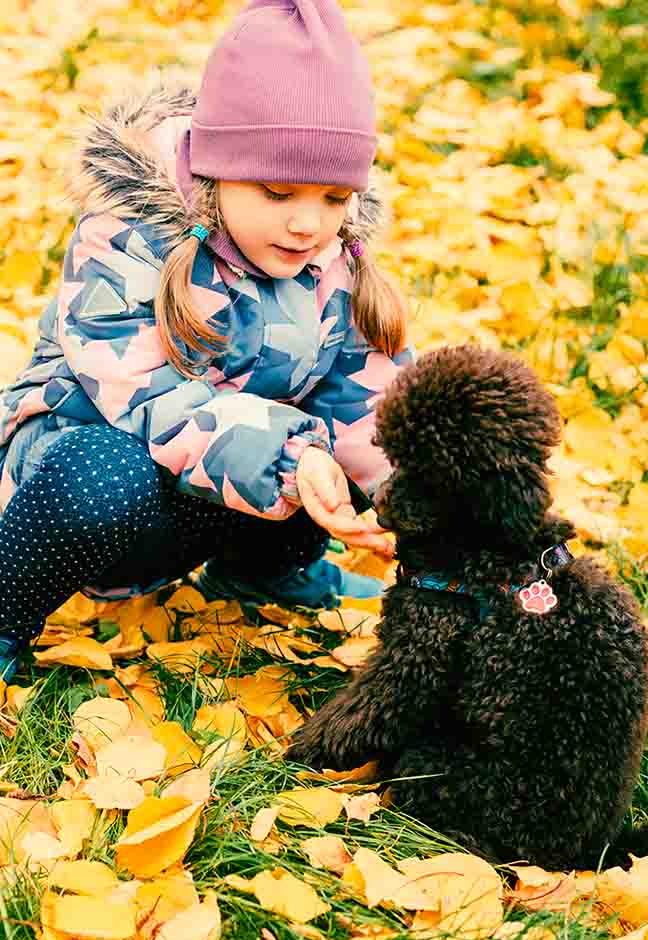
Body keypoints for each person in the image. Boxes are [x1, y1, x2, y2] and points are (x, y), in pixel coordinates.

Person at [0, 0, 412, 683]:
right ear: (217, 174)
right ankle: (8, 612)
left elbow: (362, 393)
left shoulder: (332, 261)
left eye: (336, 198)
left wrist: (413, 495)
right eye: (278, 191)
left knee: (355, 436)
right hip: (92, 494)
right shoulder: (127, 238)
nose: (310, 223)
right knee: (106, 473)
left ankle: (260, 573)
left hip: (220, 498)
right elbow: (145, 398)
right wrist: (291, 452)